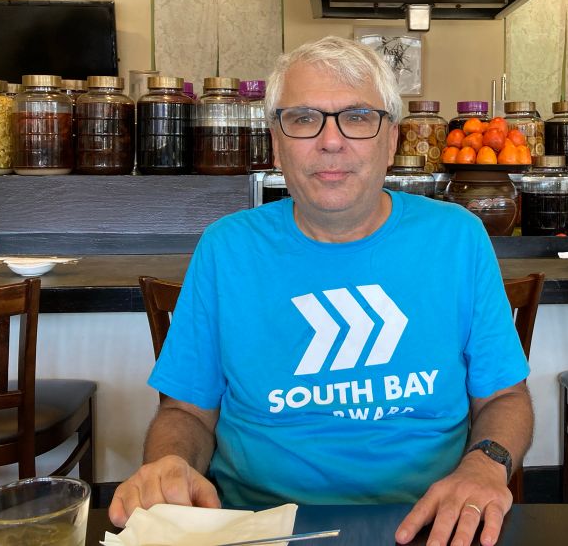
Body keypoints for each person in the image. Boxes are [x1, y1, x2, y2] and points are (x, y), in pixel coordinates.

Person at [109, 36, 533, 546]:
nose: (331, 141)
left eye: (357, 117)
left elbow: (506, 397)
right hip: (254, 523)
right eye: (304, 118)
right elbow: (185, 412)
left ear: (392, 139)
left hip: (429, 520)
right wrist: (170, 465)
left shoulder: (458, 237)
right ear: (275, 142)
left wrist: (486, 466)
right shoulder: (228, 248)